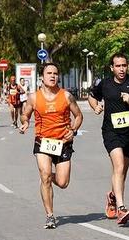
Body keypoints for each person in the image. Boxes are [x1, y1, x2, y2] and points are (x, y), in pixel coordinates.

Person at [88, 52, 129, 225]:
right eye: (118, 66)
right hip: (111, 132)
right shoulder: (106, 84)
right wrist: (96, 106)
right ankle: (121, 208)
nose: (121, 69)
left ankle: (112, 195)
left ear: (127, 66)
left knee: (122, 172)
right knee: (118, 166)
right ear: (112, 68)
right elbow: (92, 96)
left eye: (124, 65)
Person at [19, 63, 83, 229]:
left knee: (62, 182)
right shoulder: (34, 97)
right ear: (42, 76)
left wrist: (74, 130)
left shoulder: (66, 96)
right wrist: (25, 123)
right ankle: (50, 215)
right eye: (49, 73)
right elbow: (24, 115)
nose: (52, 76)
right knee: (46, 174)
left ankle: (46, 179)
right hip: (43, 141)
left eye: (55, 73)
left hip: (63, 142)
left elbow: (79, 116)